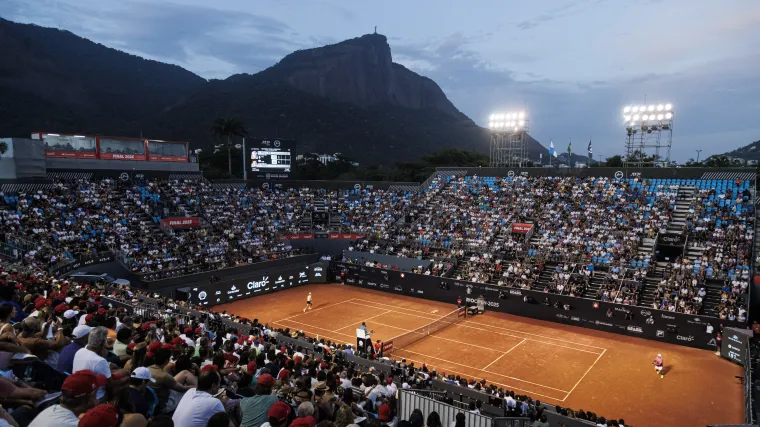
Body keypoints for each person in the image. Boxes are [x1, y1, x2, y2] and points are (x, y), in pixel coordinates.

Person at [28, 370, 106, 427]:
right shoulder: (72, 424)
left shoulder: (51, 410)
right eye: (95, 394)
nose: (97, 399)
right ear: (88, 399)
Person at [72, 326, 114, 400]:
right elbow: (110, 386)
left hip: (81, 392)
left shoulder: (80, 351)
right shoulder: (100, 361)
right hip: (96, 397)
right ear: (103, 343)